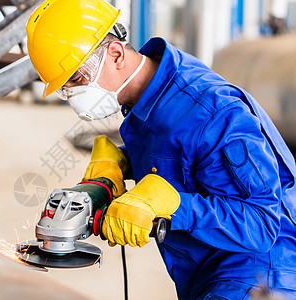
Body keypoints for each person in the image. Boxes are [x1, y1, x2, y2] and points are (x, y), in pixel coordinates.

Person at [26, 0, 296, 299]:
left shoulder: (212, 111)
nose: (73, 95)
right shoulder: (148, 94)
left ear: (115, 53)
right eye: (65, 88)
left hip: (260, 271)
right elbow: (186, 155)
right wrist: (118, 165)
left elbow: (263, 224)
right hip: (206, 265)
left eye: (77, 79)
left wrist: (174, 207)